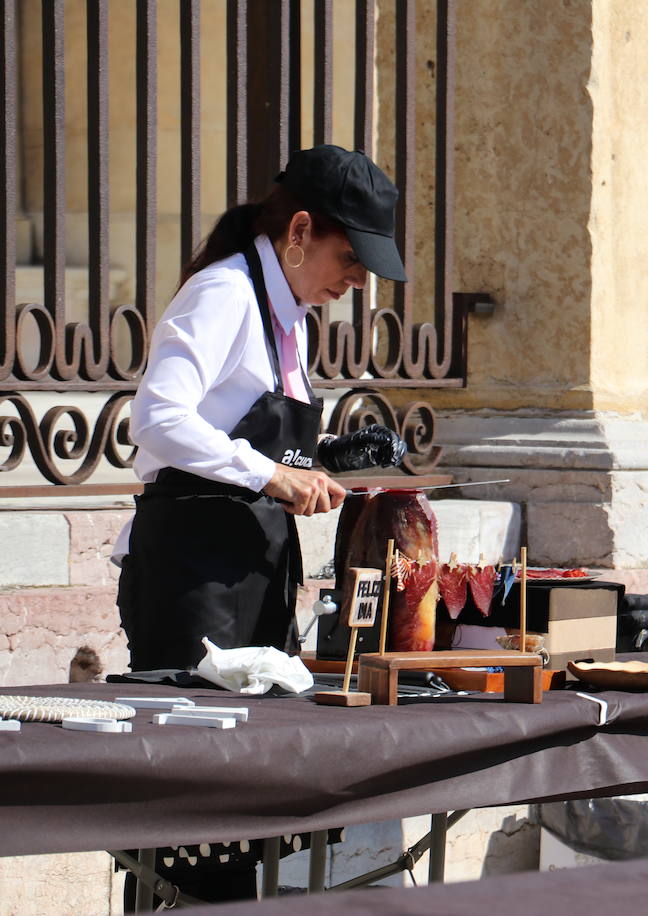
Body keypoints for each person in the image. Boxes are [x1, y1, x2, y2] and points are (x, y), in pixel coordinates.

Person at [113, 146, 410, 902]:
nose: (356, 283)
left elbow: (250, 436)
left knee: (249, 799)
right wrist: (274, 473)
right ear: (300, 231)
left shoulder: (293, 318)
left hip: (255, 570)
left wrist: (327, 459)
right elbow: (158, 418)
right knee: (188, 811)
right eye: (351, 259)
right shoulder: (222, 295)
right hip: (192, 579)